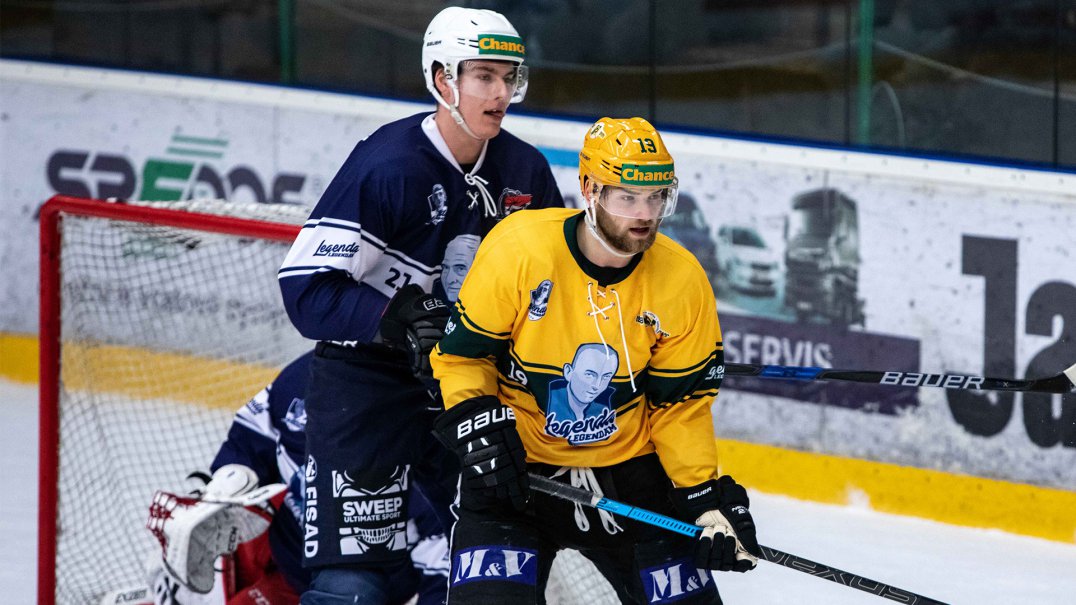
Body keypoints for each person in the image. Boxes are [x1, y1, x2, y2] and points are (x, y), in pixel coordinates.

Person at [276, 6, 564, 603]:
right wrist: (394, 318)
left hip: (469, 386)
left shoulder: (526, 171)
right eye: (483, 76)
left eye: (509, 77)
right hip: (369, 384)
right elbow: (306, 289)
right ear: (441, 80)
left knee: (499, 574)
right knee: (351, 588)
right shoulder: (389, 164)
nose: (500, 92)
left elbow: (554, 294)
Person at [430, 117, 762, 604]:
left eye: (656, 197)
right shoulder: (519, 250)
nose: (644, 214)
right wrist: (479, 427)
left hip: (630, 477)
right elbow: (464, 356)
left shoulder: (682, 280)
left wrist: (701, 497)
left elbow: (679, 406)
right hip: (516, 473)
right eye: (627, 197)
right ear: (589, 189)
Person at [141, 351, 450, 605]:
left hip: (332, 589)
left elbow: (442, 574)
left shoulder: (430, 463)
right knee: (196, 565)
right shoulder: (308, 380)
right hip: (270, 532)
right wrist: (230, 479)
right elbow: (252, 433)